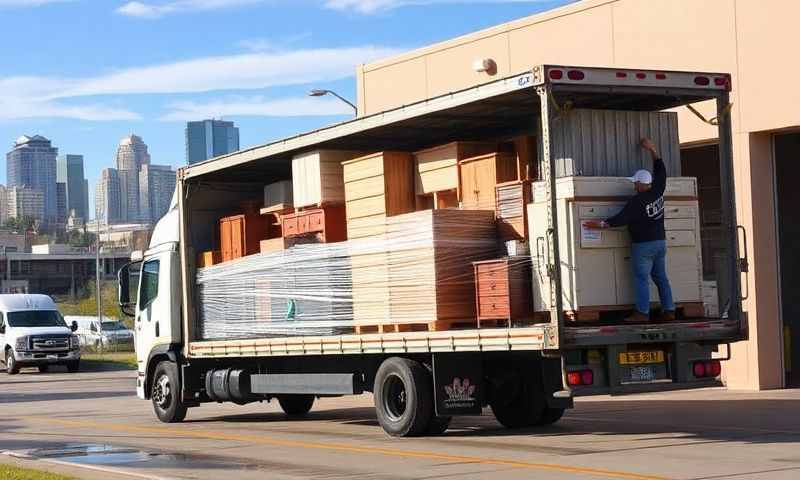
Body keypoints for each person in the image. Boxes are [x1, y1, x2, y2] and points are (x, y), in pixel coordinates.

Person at [584, 138, 675, 323]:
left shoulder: (636, 202)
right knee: (661, 278)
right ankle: (670, 310)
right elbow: (661, 170)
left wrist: (599, 224)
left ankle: (642, 313)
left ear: (642, 184)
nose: (634, 186)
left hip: (643, 246)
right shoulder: (658, 190)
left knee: (642, 279)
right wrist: (652, 149)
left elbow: (619, 220)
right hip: (660, 243)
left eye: (636, 183)